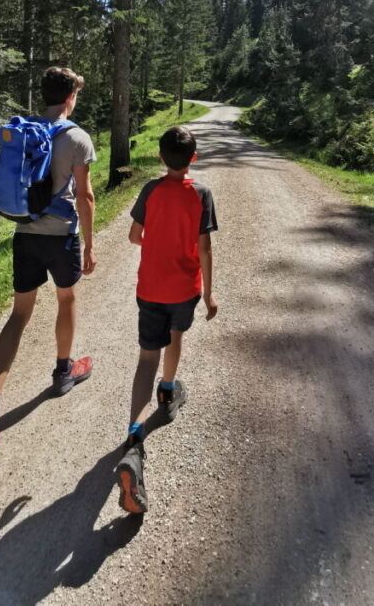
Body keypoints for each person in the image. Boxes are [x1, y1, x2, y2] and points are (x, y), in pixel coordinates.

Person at [0, 66, 98, 462]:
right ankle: (63, 372)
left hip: (25, 235)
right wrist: (90, 245)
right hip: (62, 237)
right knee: (66, 299)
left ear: (45, 94)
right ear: (71, 96)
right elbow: (86, 196)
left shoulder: (23, 130)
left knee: (19, 316)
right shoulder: (76, 137)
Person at [115, 125, 218, 514]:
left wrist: (154, 239)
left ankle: (134, 438)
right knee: (176, 337)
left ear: (160, 156)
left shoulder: (150, 191)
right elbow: (204, 246)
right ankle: (169, 389)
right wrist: (209, 293)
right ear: (193, 158)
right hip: (184, 289)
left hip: (150, 288)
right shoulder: (202, 193)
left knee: (146, 358)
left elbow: (133, 237)